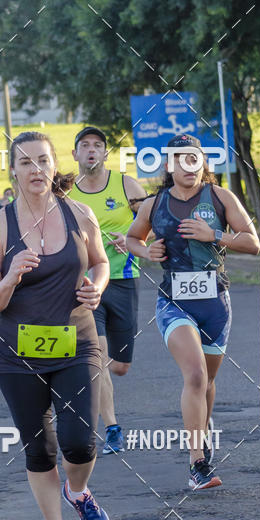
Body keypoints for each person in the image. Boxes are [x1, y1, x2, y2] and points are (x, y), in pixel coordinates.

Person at [0, 131, 111, 520]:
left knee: (80, 444)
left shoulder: (80, 214)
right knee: (40, 451)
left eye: (42, 161)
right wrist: (12, 274)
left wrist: (98, 287)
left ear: (55, 166)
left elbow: (100, 261)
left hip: (77, 342)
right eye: (25, 163)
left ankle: (79, 492)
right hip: (18, 353)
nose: (35, 170)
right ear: (12, 172)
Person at [126, 134, 260, 490]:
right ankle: (196, 463)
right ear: (169, 166)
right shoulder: (153, 205)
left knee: (208, 382)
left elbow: (253, 243)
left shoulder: (221, 198)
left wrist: (213, 234)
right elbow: (131, 239)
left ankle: (202, 429)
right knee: (196, 376)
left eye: (194, 158)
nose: (188, 165)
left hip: (216, 302)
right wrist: (146, 253)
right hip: (174, 303)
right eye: (180, 158)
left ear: (203, 163)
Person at [71, 126, 147, 455]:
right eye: (84, 145)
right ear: (74, 154)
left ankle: (107, 399)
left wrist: (132, 238)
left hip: (125, 280)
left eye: (97, 146)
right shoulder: (65, 193)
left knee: (120, 365)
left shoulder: (126, 184)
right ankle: (112, 427)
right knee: (98, 358)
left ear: (105, 153)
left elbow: (155, 219)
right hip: (85, 286)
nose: (91, 150)